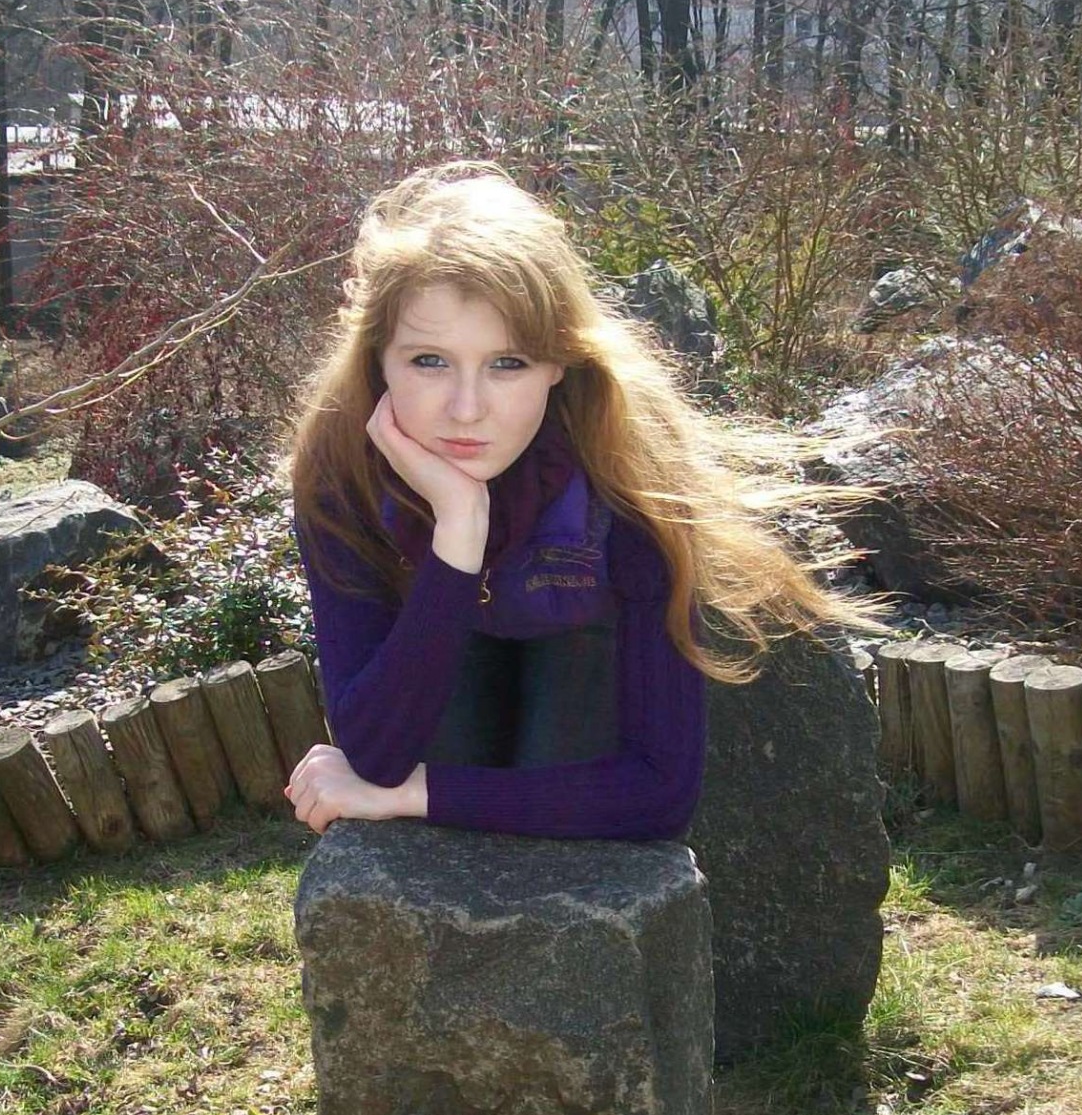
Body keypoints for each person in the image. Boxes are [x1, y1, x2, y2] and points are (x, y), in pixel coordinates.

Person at [286, 161, 870, 841]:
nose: (466, 409)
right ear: (377, 358)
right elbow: (373, 753)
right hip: (448, 654)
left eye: (508, 363)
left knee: (556, 764)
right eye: (429, 361)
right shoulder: (339, 475)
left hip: (585, 645)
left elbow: (657, 793)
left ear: (559, 363)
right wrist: (460, 529)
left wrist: (415, 793)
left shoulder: (630, 477)